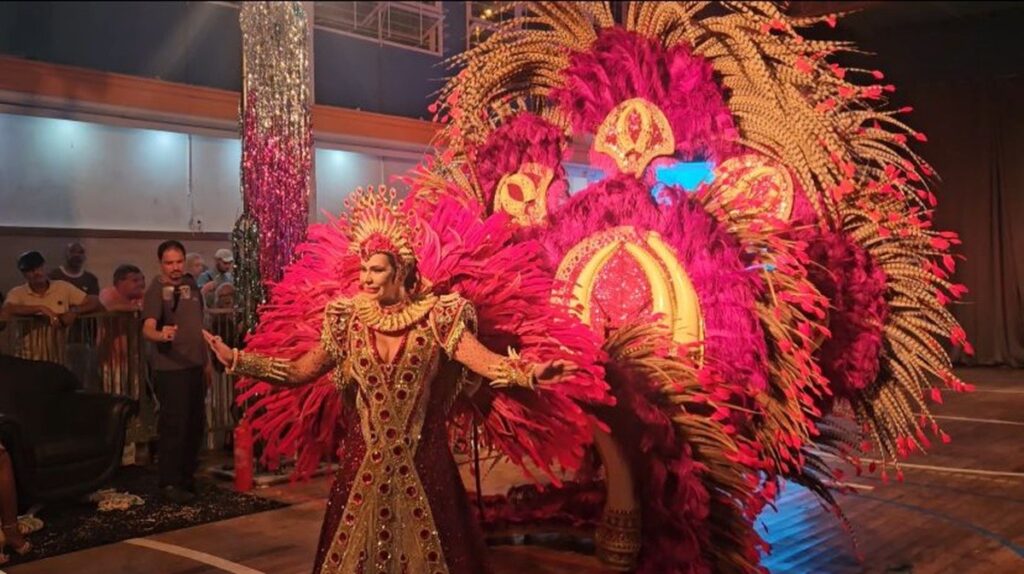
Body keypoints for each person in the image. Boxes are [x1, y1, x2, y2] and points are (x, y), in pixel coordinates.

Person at [203, 188, 571, 574]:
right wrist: (238, 360)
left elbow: (484, 362)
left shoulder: (438, 318)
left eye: (376, 270)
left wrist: (531, 373)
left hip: (426, 463)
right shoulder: (347, 321)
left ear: (401, 271)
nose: (366, 278)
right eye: (363, 269)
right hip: (363, 464)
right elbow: (299, 371)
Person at [142, 241, 212, 504]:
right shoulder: (156, 291)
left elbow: (198, 325)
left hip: (195, 365)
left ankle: (186, 477)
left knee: (195, 424)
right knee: (175, 426)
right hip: (171, 369)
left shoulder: (192, 286)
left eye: (179, 262)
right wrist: (161, 335)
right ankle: (169, 482)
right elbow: (147, 327)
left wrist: (206, 362)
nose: (175, 267)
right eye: (169, 263)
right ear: (161, 264)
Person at [2, 251, 101, 361]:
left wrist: (75, 311)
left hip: (57, 360)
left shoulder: (62, 287)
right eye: (30, 270)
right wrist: (40, 308)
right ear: (24, 274)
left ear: (45, 267)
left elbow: (94, 300)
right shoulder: (17, 293)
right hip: (27, 359)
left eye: (39, 267)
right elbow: (8, 308)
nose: (36, 273)